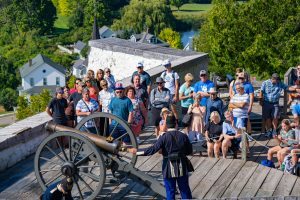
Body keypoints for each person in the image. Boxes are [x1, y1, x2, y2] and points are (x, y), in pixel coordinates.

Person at [127, 114, 193, 200]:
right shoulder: (183, 136)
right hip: (182, 165)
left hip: (168, 167)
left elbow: (152, 150)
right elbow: (189, 151)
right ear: (176, 123)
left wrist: (137, 152)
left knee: (170, 191)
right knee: (185, 190)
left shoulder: (163, 137)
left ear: (166, 124)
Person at [259, 73, 288, 137]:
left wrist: (296, 88)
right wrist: (260, 100)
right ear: (273, 79)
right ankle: (269, 131)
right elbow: (261, 92)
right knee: (268, 118)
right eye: (276, 80)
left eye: (278, 80)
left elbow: (287, 87)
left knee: (275, 117)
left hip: (275, 103)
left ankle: (274, 131)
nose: (277, 81)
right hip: (266, 102)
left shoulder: (280, 83)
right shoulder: (265, 83)